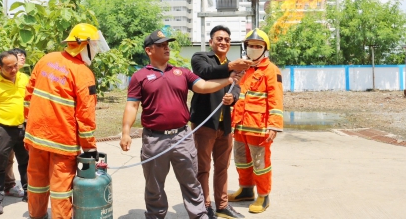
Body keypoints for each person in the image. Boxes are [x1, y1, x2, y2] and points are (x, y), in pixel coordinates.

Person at [120, 30, 242, 219]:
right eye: (161, 45)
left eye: (167, 44)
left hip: (181, 137)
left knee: (191, 181)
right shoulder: (140, 76)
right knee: (154, 185)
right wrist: (126, 132)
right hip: (154, 139)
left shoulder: (181, 72)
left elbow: (202, 86)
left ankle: (199, 215)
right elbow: (132, 105)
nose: (166, 47)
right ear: (149, 50)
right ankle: (155, 215)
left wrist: (228, 80)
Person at [24, 23, 109, 219]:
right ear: (84, 45)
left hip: (36, 137)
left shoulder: (46, 60)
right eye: (94, 45)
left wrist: (29, 126)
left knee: (36, 181)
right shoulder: (83, 73)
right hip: (62, 141)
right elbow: (85, 115)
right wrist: (89, 148)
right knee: (61, 187)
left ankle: (36, 215)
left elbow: (28, 96)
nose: (95, 49)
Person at [190, 25, 252, 219]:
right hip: (205, 123)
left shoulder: (233, 65)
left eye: (227, 39)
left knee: (222, 167)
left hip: (225, 126)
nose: (223, 42)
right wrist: (232, 68)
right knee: (203, 168)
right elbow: (207, 72)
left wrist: (232, 98)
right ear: (211, 42)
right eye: (219, 39)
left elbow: (237, 87)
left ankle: (222, 205)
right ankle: (205, 206)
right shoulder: (200, 58)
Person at [228, 28, 284, 214]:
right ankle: (245, 190)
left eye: (258, 46)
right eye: (251, 45)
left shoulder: (271, 70)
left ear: (264, 49)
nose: (253, 48)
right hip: (240, 124)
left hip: (259, 127)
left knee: (260, 163)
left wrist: (274, 126)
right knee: (242, 160)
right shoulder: (244, 69)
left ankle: (263, 195)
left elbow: (276, 100)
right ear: (245, 47)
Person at [0, 50, 30, 215]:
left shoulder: (24, 78)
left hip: (24, 126)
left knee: (26, 162)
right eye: (9, 67)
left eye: (15, 65)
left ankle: (29, 193)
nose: (14, 70)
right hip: (4, 129)